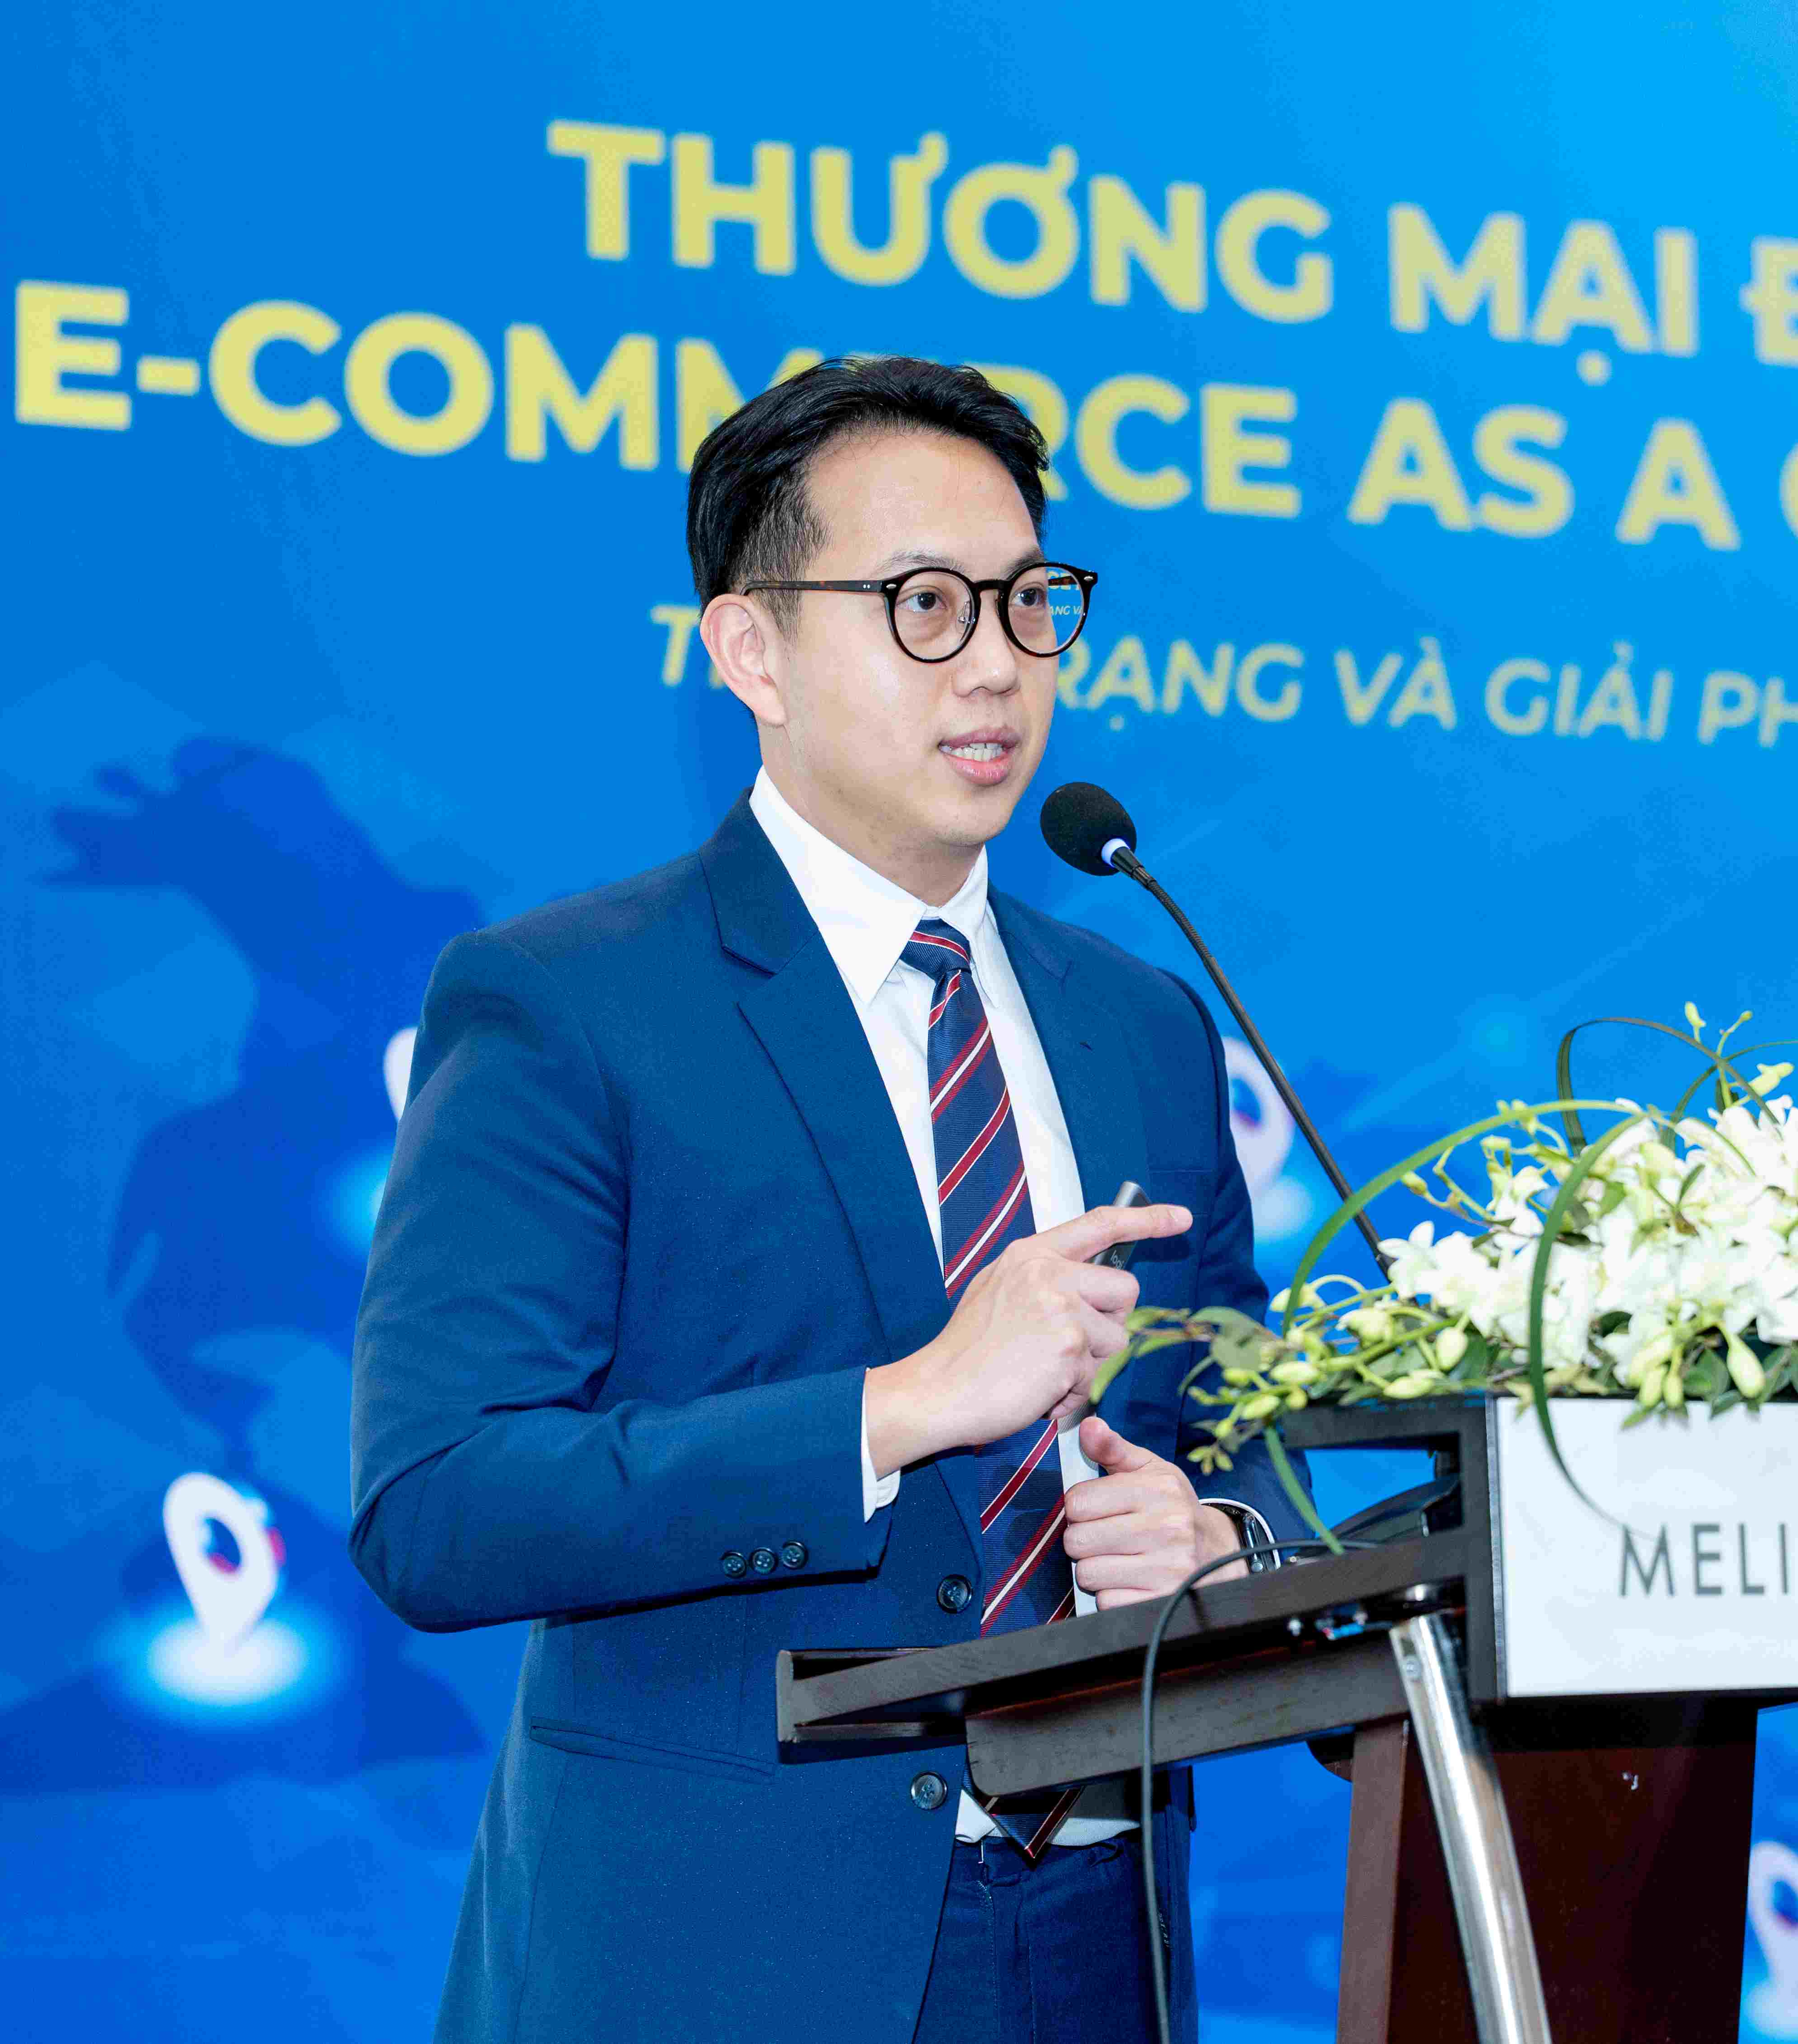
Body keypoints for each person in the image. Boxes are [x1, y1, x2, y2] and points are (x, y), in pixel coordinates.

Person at [349, 354, 1306, 2044]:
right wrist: (902, 1406)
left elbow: (1247, 1426)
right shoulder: (571, 1003)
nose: (997, 662)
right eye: (923, 605)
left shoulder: (1146, 1023)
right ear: (751, 650)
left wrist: (1221, 1540)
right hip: (726, 1957)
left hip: (1111, 1937)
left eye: (1028, 602)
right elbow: (440, 1500)